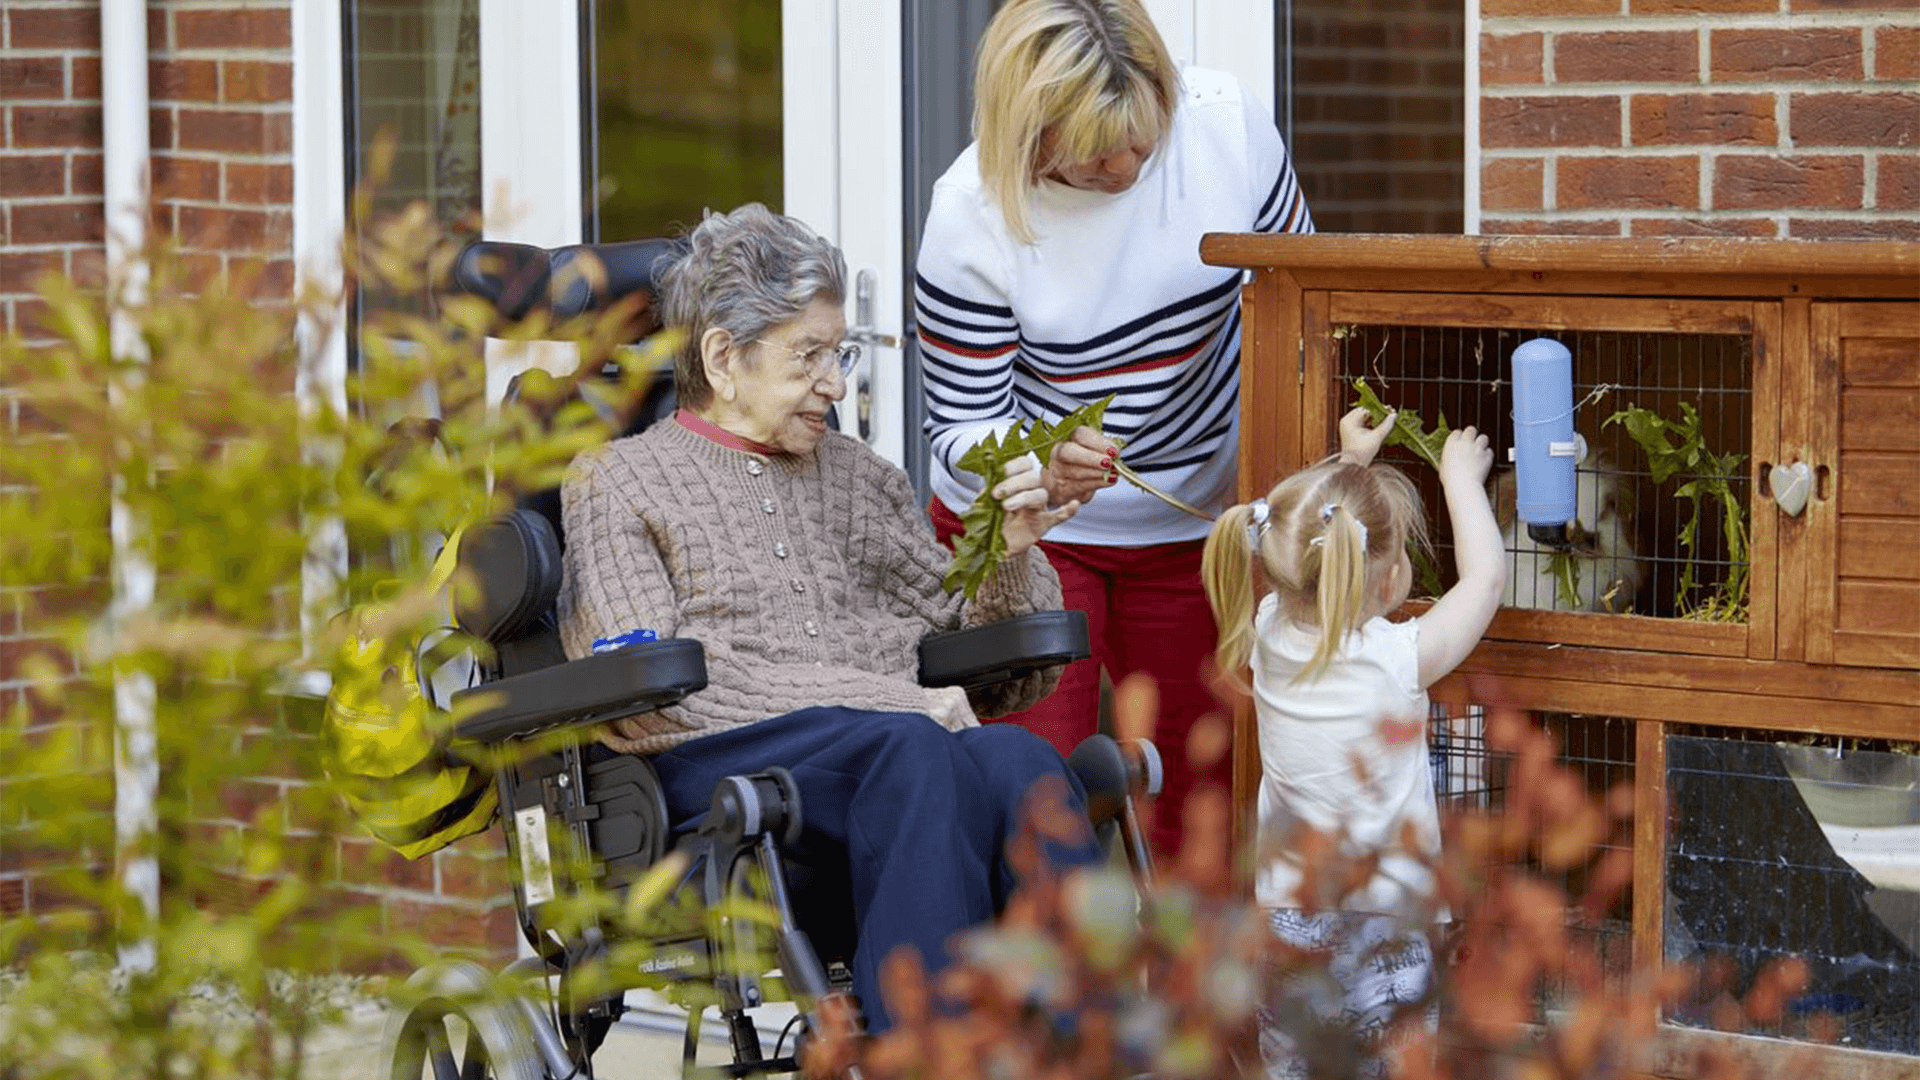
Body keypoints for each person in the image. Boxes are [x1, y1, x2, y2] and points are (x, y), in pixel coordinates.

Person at [556, 203, 1102, 1034]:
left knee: (1017, 761)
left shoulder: (859, 478)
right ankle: (926, 1053)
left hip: (886, 760)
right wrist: (891, 702)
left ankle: (1089, 1043)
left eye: (838, 353)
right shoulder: (619, 482)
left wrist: (1013, 551)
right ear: (723, 357)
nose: (836, 383)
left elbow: (965, 642)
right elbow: (655, 689)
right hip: (713, 766)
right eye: (808, 355)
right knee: (916, 744)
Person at [913, 0, 1314, 864]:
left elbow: (1301, 316)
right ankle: (1040, 996)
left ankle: (1195, 999)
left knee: (1201, 792)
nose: (1129, 165)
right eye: (1098, 149)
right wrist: (1039, 463)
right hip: (1039, 537)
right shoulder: (968, 217)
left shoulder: (1226, 130)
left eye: (1144, 135)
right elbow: (957, 431)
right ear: (1032, 132)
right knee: (1035, 795)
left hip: (1196, 524)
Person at [1200, 409, 1504, 1079]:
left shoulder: (1269, 633)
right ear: (1392, 581)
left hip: (1289, 917)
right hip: (1385, 917)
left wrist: (1349, 463)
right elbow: (1483, 582)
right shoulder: (1398, 658)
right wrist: (1461, 480)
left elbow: (1312, 541)